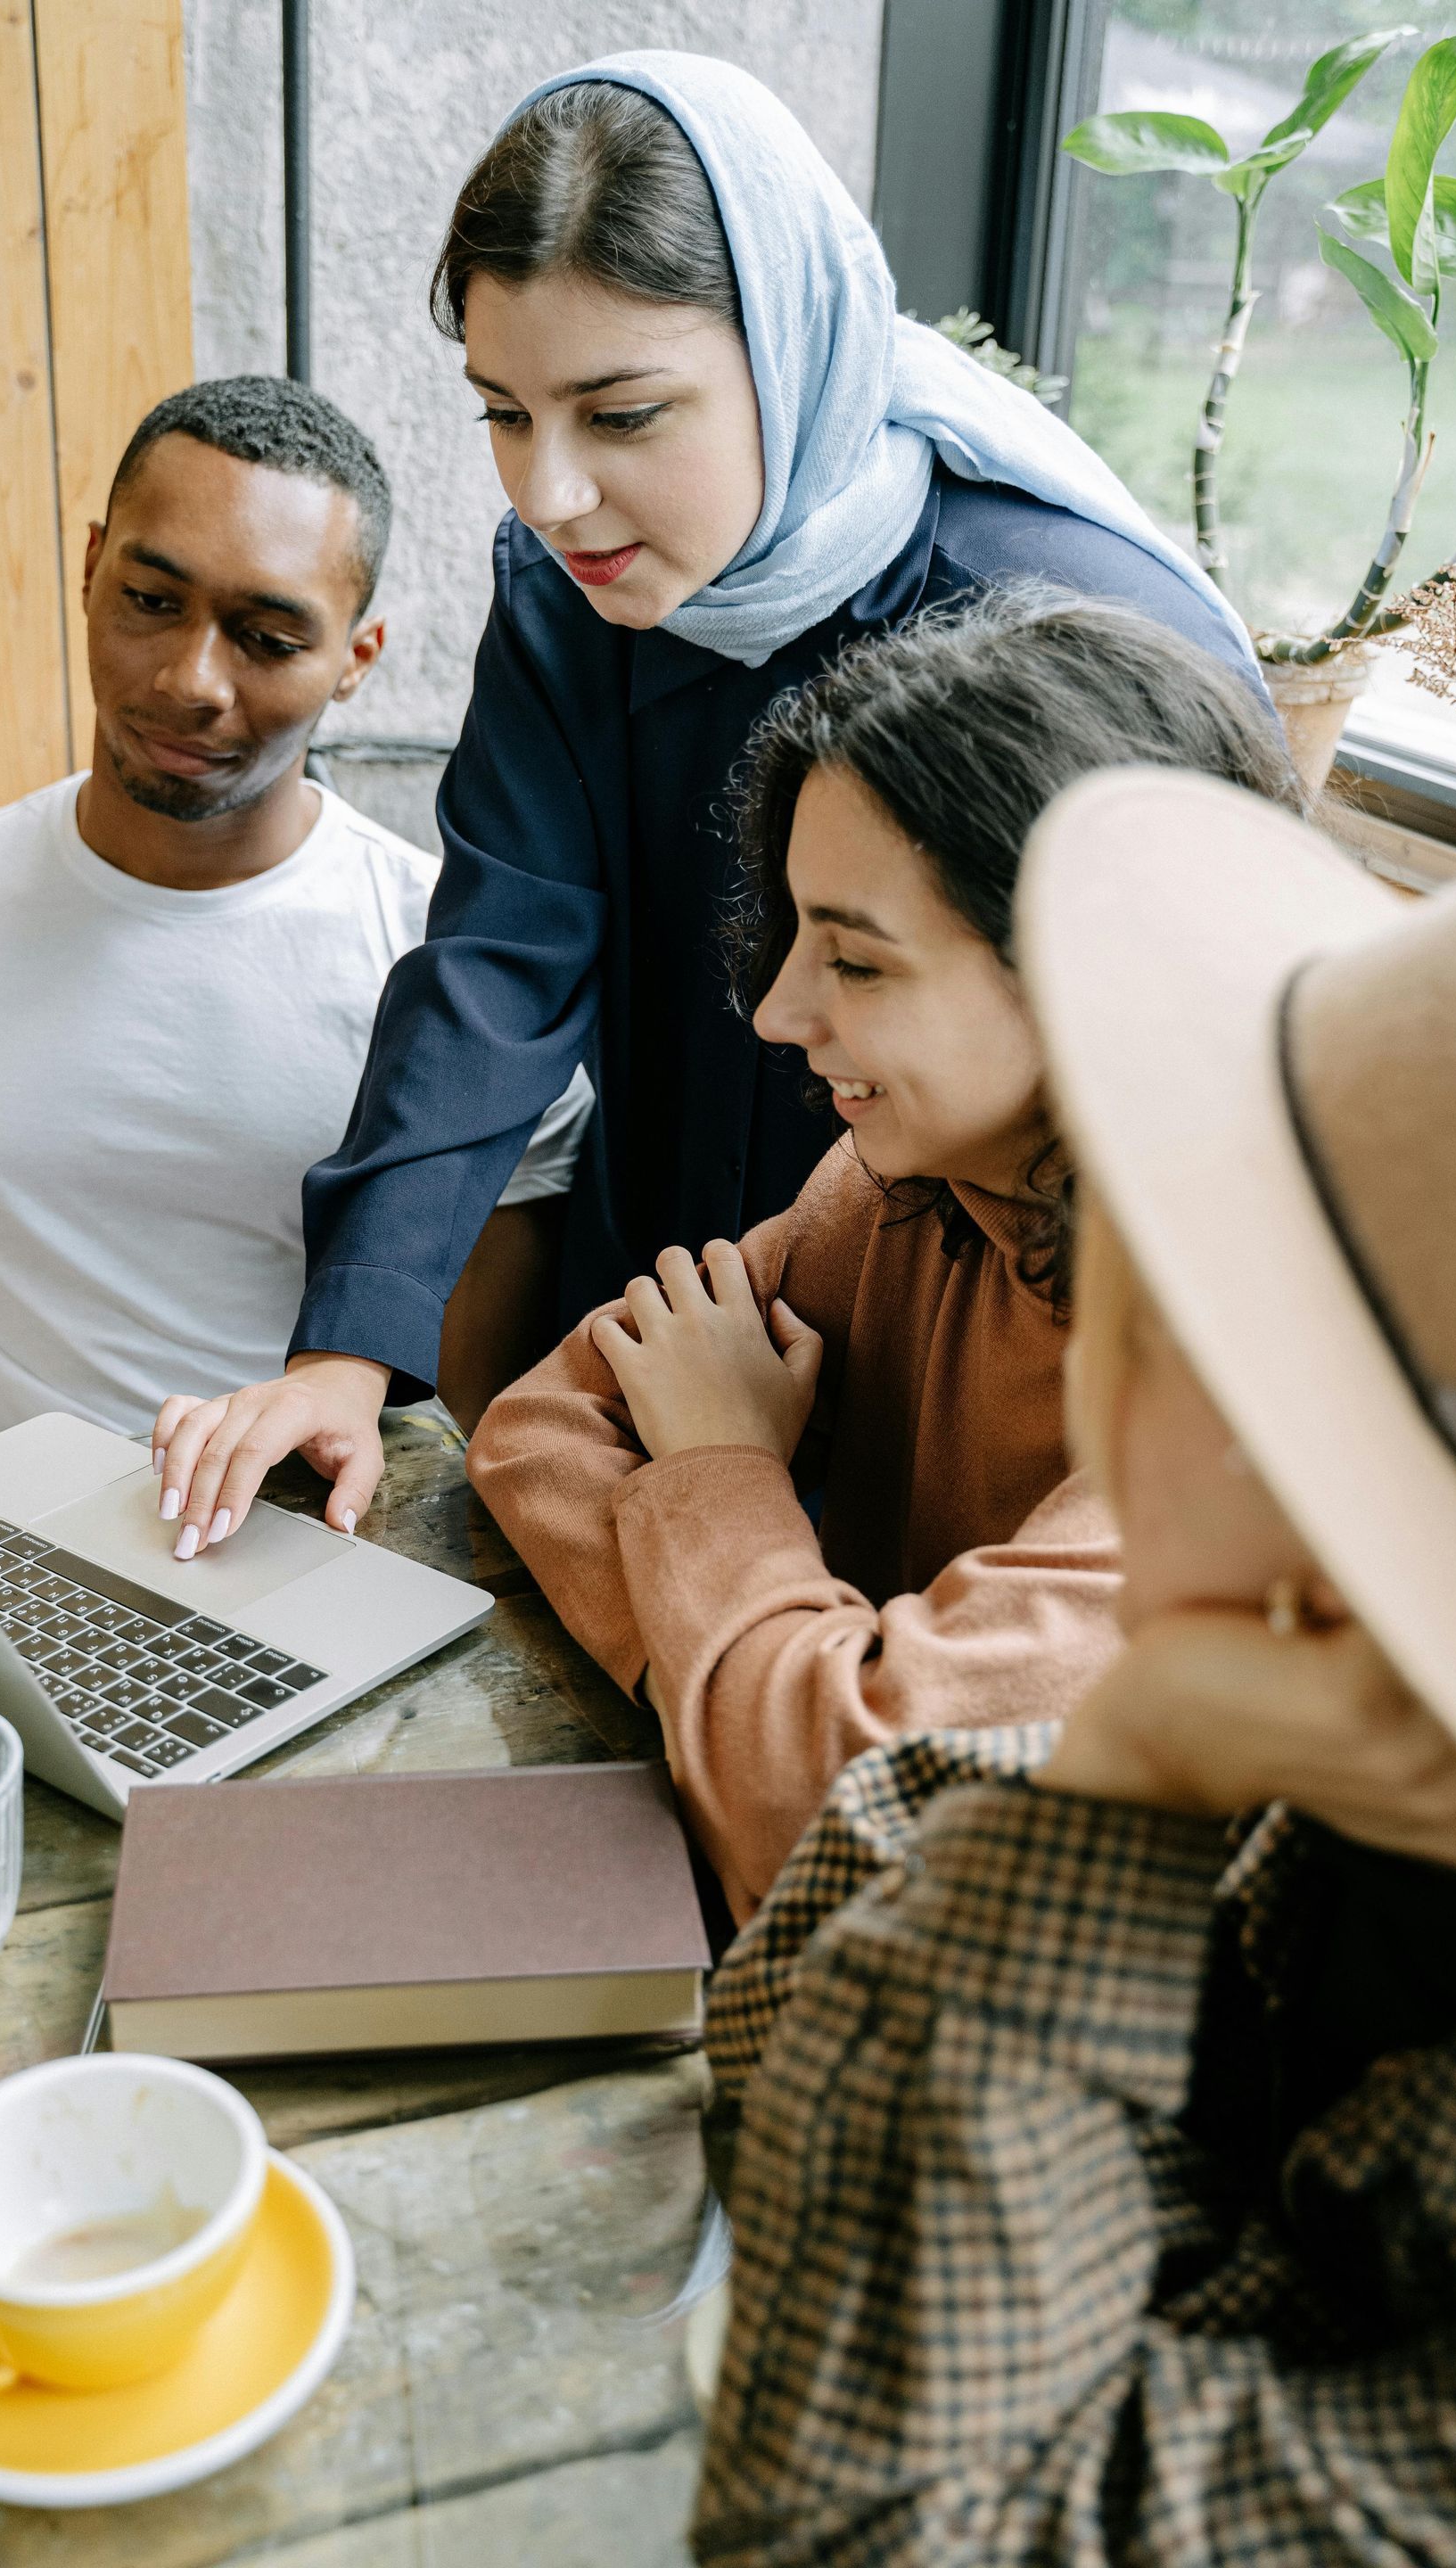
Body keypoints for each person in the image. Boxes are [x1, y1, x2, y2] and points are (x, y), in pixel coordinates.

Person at [151, 51, 1271, 1563]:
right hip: (672, 1281)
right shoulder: (567, 591)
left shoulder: (1065, 627)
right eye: (502, 412)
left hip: (995, 1356)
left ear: (793, 348)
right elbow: (494, 966)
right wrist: (347, 1353)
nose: (546, 494)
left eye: (622, 417)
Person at [693, 769, 1456, 2564]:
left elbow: (864, 2530)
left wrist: (1121, 1776)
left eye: (1189, 1238)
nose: (1098, 1249)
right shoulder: (1337, 1770)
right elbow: (775, 2019)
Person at [467, 594, 1301, 1920]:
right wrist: (764, 1697)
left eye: (856, 962)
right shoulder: (898, 1193)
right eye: (796, 935)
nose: (783, 1011)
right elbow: (539, 1430)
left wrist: (718, 1474)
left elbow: (819, 1817)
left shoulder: (1256, 1395)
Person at [0, 377, 588, 1485]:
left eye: (266, 636)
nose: (191, 681)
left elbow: (479, 1410)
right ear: (91, 566)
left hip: (324, 1569)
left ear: (357, 656)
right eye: (152, 601)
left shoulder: (457, 990)